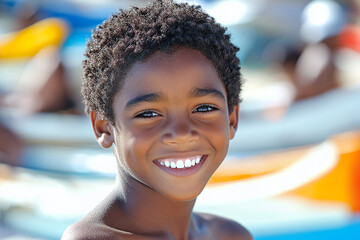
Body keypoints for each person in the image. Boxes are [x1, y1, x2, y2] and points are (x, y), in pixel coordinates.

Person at [62, 0, 252, 239]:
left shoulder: (230, 235)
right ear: (103, 127)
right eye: (149, 114)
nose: (182, 133)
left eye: (203, 108)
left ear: (232, 119)